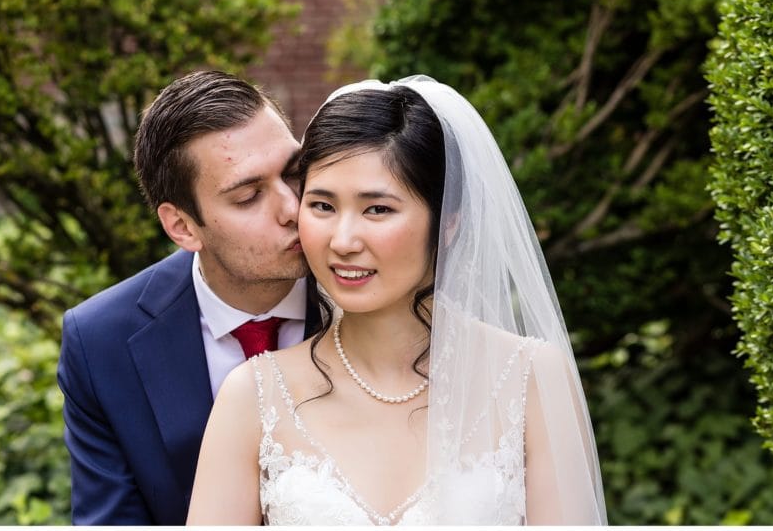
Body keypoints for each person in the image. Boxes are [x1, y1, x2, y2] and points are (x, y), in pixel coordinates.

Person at [187, 75, 606, 525]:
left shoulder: (531, 379)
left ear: (447, 223)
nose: (343, 241)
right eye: (323, 206)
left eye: (377, 209)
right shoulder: (253, 396)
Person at [57, 70, 322, 524]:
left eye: (295, 173)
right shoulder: (100, 342)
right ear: (182, 227)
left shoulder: (373, 292)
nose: (292, 208)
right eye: (248, 196)